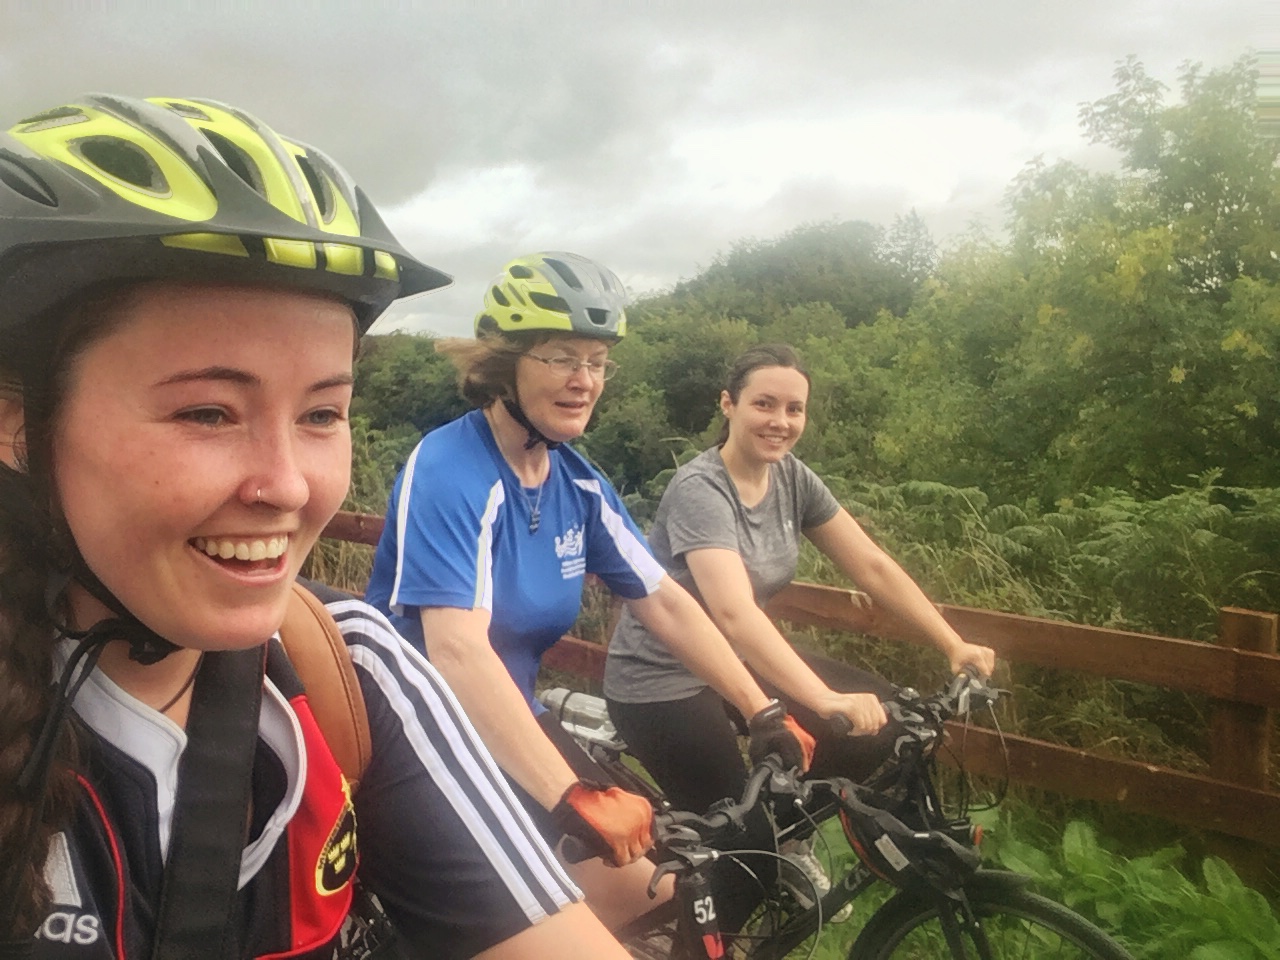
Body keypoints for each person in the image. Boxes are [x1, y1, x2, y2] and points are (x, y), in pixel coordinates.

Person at [0, 94, 634, 959]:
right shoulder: (453, 475)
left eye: (323, 414)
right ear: (16, 427)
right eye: (208, 412)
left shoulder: (344, 670)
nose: (288, 486)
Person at [363, 254, 822, 932]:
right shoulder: (449, 467)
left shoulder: (572, 480)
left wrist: (761, 710)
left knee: (662, 886)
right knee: (559, 924)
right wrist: (568, 792)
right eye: (560, 358)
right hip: (415, 730)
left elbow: (664, 600)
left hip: (507, 715)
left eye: (598, 361)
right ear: (506, 363)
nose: (584, 381)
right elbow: (456, 651)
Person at [603, 342, 997, 857]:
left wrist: (951, 643)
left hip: (739, 662)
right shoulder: (701, 489)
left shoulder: (790, 475)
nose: (780, 421)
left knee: (887, 727)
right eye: (764, 404)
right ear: (729, 405)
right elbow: (733, 611)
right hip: (661, 678)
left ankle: (790, 838)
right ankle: (722, 888)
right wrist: (822, 699)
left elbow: (871, 564)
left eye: (794, 409)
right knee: (738, 849)